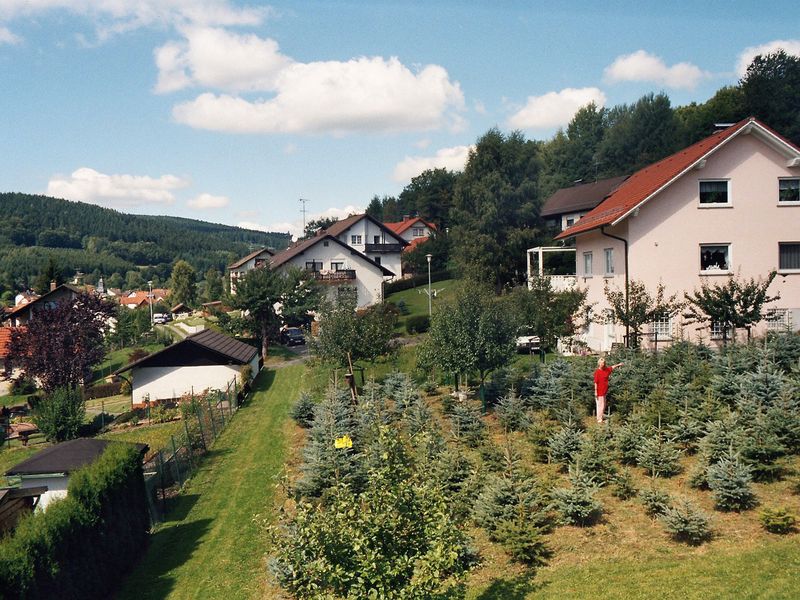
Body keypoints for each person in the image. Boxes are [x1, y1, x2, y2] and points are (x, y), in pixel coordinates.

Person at [593, 357, 623, 423]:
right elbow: (595, 382)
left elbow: (612, 367)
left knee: (603, 404)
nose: (602, 364)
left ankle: (600, 417)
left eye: (603, 363)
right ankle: (599, 419)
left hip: (604, 391)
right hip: (599, 391)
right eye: (601, 363)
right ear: (599, 364)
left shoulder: (606, 370)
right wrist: (595, 391)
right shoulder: (597, 372)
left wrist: (618, 365)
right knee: (600, 405)